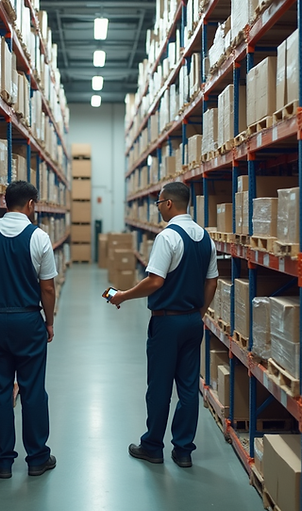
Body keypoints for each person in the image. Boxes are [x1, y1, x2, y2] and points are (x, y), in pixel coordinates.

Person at [106, 181, 218, 468]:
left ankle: (152, 445)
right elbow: (212, 279)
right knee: (189, 387)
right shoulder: (206, 238)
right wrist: (200, 312)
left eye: (158, 203)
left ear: (168, 203)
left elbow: (155, 281)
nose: (156, 208)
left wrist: (123, 295)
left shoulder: (168, 237)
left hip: (167, 323)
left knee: (159, 386)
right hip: (192, 321)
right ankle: (183, 450)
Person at [0, 181, 58, 479]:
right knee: (33, 390)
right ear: (31, 204)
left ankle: (3, 460)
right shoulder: (40, 238)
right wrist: (49, 322)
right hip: (27, 321)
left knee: (0, 391)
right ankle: (36, 458)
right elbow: (47, 287)